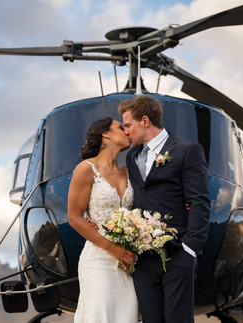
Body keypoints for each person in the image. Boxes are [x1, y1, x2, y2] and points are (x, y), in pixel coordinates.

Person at [118, 95, 211, 323]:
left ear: (146, 121)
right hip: (144, 260)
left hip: (178, 253)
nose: (126, 131)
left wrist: (190, 249)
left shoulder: (187, 151)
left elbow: (199, 201)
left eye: (128, 125)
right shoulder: (132, 156)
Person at [68, 117, 139, 323]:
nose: (126, 131)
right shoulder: (86, 169)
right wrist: (112, 248)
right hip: (98, 259)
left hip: (127, 262)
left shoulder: (129, 172)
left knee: (127, 316)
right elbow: (74, 217)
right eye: (121, 127)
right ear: (105, 134)